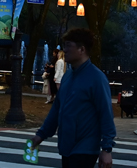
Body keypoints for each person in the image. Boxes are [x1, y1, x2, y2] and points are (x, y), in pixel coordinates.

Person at [32, 28, 116, 168]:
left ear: (81, 49)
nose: (64, 50)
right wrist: (41, 135)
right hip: (66, 146)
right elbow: (57, 109)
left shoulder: (96, 78)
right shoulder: (68, 76)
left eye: (68, 45)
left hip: (85, 148)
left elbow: (106, 113)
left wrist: (106, 149)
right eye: (64, 45)